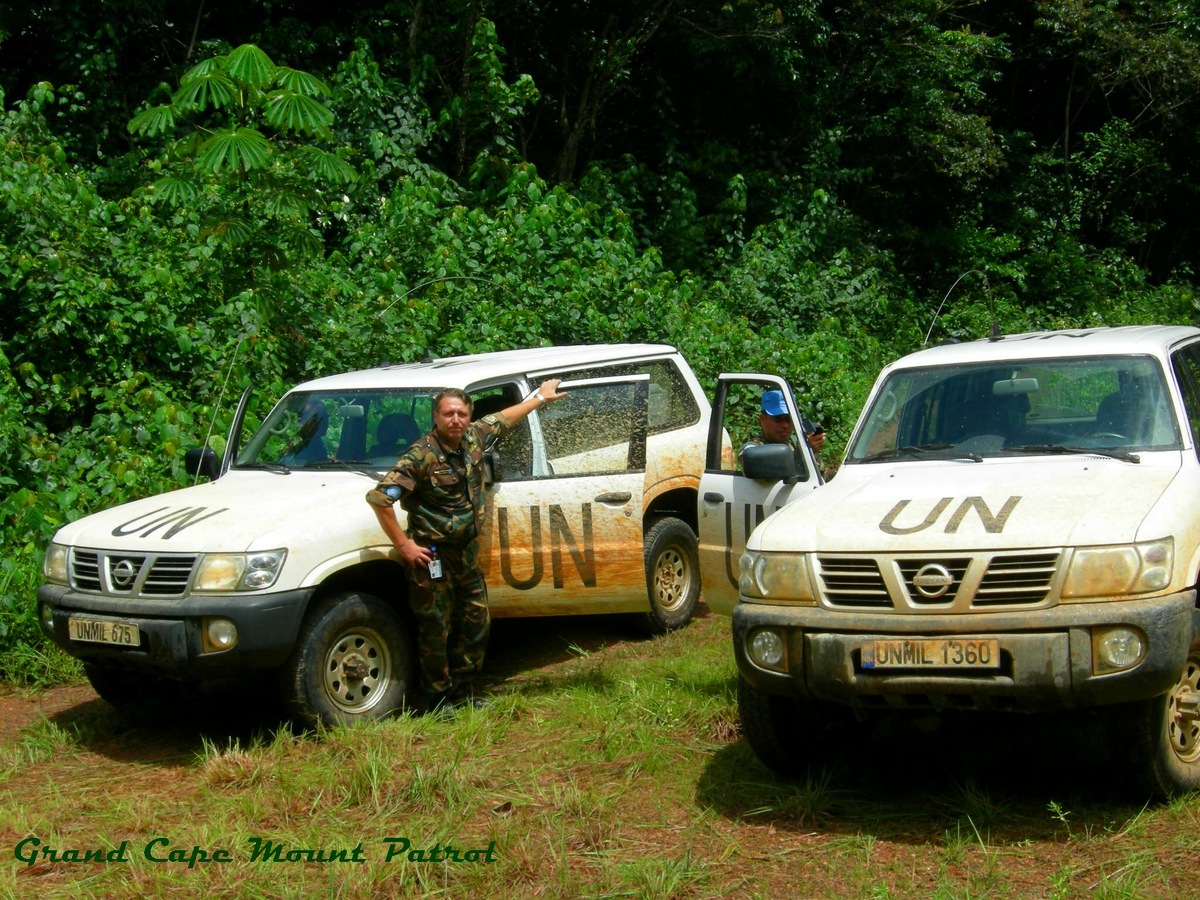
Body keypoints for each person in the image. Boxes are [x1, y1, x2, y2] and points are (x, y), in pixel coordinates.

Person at [365, 380, 567, 712]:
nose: (455, 420)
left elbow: (504, 418)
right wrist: (404, 546)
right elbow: (379, 499)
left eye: (461, 413)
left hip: (467, 556)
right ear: (436, 416)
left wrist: (539, 399)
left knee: (475, 625)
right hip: (433, 558)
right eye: (448, 414)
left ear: (469, 415)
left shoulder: (473, 437)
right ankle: (437, 700)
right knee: (435, 631)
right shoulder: (421, 455)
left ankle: (465, 694)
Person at [741, 389, 825, 462]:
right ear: (762, 419)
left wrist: (810, 451)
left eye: (789, 419)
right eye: (778, 419)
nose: (785, 425)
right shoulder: (752, 449)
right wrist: (803, 453)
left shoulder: (796, 445)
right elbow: (768, 471)